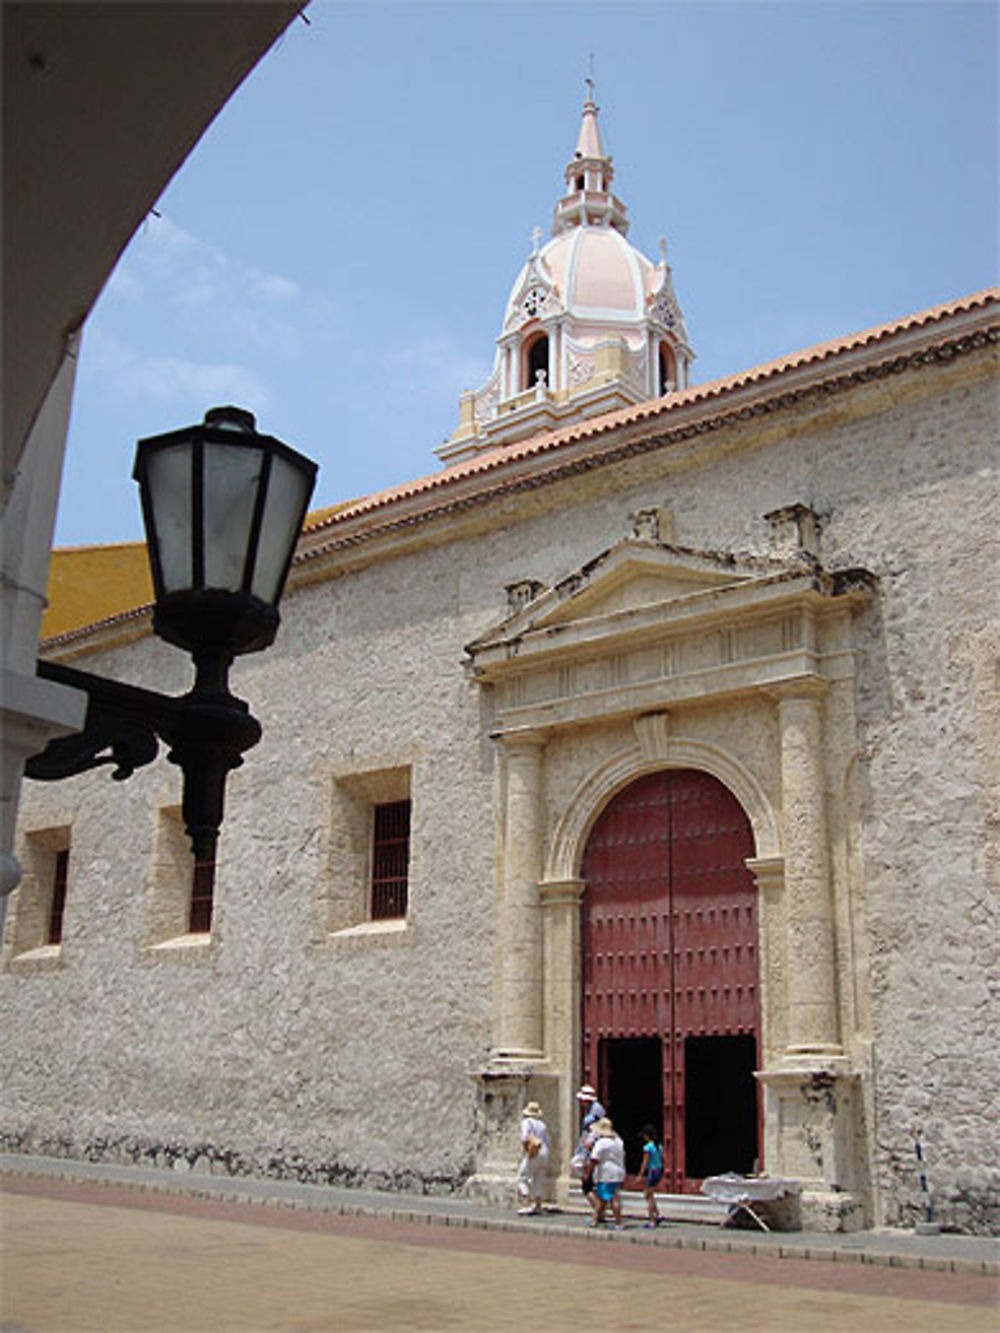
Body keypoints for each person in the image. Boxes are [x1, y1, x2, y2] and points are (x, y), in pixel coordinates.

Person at [573, 1083, 606, 1216]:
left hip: (589, 1150)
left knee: (587, 1183)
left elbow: (597, 1129)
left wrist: (590, 1142)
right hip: (585, 1148)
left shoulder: (596, 1110)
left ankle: (599, 1212)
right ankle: (598, 1211)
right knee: (587, 1183)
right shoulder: (591, 1110)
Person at [588, 1116, 627, 1229]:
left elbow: (594, 1159)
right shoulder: (618, 1141)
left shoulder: (602, 1143)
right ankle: (597, 1218)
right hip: (618, 1171)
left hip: (606, 1173)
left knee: (607, 1197)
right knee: (608, 1197)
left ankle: (616, 1221)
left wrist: (589, 1173)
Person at [517, 1099, 550, 1215]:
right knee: (538, 1178)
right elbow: (547, 1140)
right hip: (544, 1150)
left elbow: (524, 1137)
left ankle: (526, 1203)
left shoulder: (526, 1122)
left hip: (534, 1151)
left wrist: (527, 1150)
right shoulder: (542, 1124)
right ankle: (538, 1205)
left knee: (522, 1177)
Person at [638, 1124, 664, 1227]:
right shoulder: (659, 1146)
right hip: (659, 1170)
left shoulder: (648, 1147)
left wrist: (640, 1175)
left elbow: (645, 1162)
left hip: (652, 1171)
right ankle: (657, 1214)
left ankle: (652, 1220)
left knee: (648, 1196)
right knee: (650, 1194)